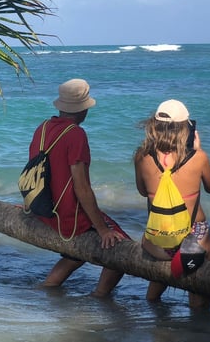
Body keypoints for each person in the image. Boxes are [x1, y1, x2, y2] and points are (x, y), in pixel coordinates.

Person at [29, 78, 128, 297]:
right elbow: (81, 187)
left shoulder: (42, 128)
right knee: (122, 248)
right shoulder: (76, 134)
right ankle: (99, 297)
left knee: (76, 255)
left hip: (43, 210)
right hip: (67, 218)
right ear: (83, 109)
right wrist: (102, 229)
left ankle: (48, 287)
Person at [134, 99, 210, 307]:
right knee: (207, 251)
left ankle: (153, 306)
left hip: (158, 241)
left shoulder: (141, 156)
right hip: (192, 241)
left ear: (154, 125)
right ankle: (199, 307)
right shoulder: (198, 157)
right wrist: (199, 150)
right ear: (186, 129)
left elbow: (143, 191)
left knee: (156, 287)